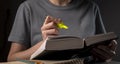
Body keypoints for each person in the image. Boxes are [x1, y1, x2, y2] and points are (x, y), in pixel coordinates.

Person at [7, 0, 117, 63]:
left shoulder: (91, 7)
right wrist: (44, 45)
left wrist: (107, 56)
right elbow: (11, 59)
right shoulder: (27, 8)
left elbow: (105, 56)